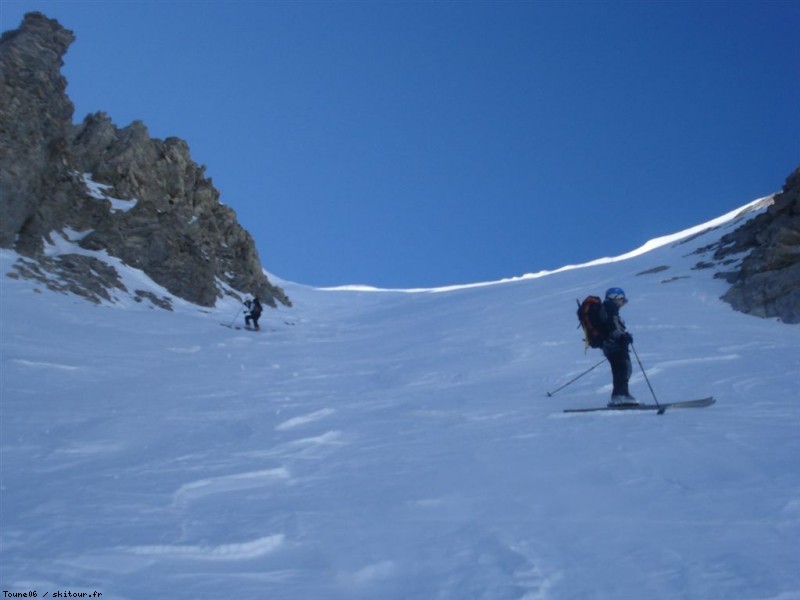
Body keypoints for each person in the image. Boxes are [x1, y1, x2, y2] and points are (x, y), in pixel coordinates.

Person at [601, 287, 637, 406]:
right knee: (623, 368)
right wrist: (621, 337)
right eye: (621, 299)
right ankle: (620, 396)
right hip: (613, 344)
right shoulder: (610, 308)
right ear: (614, 298)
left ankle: (620, 395)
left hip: (608, 344)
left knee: (620, 369)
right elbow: (611, 326)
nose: (622, 302)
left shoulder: (606, 308)